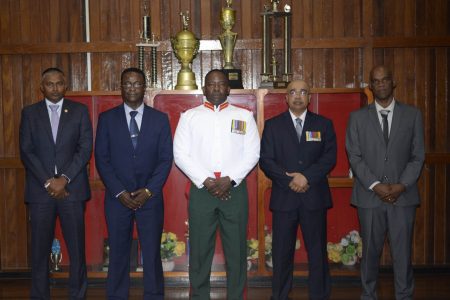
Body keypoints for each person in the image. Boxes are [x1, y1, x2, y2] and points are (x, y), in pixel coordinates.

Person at [173, 69, 260, 299]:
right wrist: (206, 180)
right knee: (200, 251)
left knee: (236, 250)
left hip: (235, 189)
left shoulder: (244, 116)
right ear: (204, 89)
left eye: (221, 84)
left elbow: (252, 153)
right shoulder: (189, 117)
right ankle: (200, 296)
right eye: (211, 84)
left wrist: (229, 180)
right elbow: (180, 154)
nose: (216, 88)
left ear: (228, 89)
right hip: (202, 189)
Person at [345, 65, 425, 299]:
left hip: (404, 197)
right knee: (370, 253)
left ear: (393, 83)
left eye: (385, 80)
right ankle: (368, 295)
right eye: (376, 81)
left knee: (402, 254)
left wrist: (401, 185)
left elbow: (418, 155)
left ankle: (404, 295)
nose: (381, 84)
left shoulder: (413, 115)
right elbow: (354, 156)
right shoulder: (357, 118)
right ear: (370, 86)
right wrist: (376, 185)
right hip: (370, 197)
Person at [95, 67, 173, 299]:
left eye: (137, 84)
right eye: (127, 84)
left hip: (150, 198)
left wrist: (148, 190)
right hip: (118, 199)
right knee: (118, 252)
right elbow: (102, 158)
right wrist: (119, 192)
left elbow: (165, 159)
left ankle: (154, 295)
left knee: (151, 253)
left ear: (144, 87)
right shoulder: (107, 119)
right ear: (121, 87)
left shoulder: (159, 119)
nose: (132, 88)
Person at [19, 67, 93, 299]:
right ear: (42, 87)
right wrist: (47, 182)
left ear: (65, 85)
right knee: (39, 251)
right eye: (49, 84)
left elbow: (85, 148)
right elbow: (26, 151)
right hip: (41, 193)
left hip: (72, 190)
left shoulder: (79, 111)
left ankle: (77, 295)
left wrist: (64, 179)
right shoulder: (30, 113)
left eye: (59, 83)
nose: (54, 88)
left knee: (77, 250)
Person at [259, 79, 337, 300]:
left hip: (314, 198)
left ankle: (320, 295)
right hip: (285, 198)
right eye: (293, 92)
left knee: (317, 253)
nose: (298, 96)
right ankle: (280, 295)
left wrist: (306, 178)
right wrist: (290, 181)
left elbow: (329, 157)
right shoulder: (273, 126)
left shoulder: (323, 124)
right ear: (286, 98)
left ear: (309, 98)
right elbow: (266, 160)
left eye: (303, 92)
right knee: (281, 254)